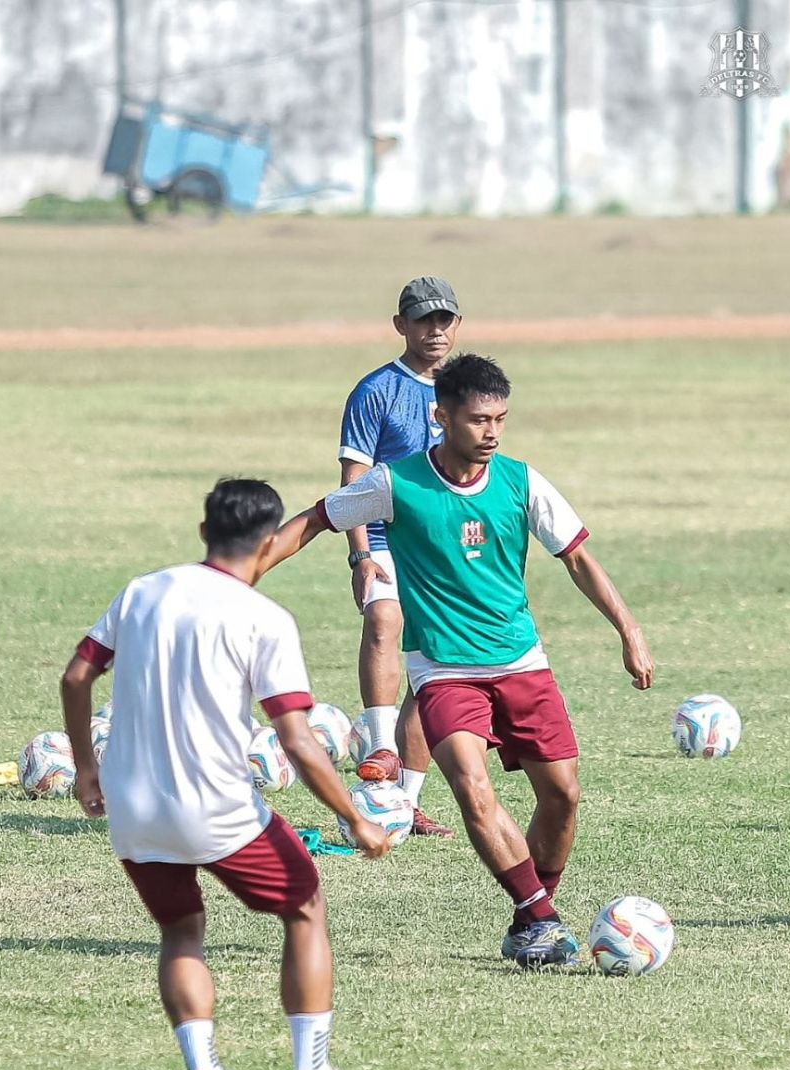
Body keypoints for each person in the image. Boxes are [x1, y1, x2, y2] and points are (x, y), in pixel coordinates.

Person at [265, 355, 655, 968]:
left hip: (522, 663)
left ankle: (529, 916)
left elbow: (577, 557)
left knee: (564, 798)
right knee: (473, 790)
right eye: (478, 420)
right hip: (444, 671)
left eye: (500, 418)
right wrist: (244, 574)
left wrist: (629, 630)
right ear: (441, 417)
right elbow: (314, 520)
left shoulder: (522, 481)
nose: (492, 432)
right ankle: (545, 920)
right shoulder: (396, 483)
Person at [61, 478, 391, 1070]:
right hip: (218, 809)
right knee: (305, 909)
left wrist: (84, 768)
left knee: (181, 931)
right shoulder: (263, 618)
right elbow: (295, 739)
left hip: (133, 809)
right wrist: (355, 818)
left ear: (204, 531)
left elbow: (78, 675)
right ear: (269, 542)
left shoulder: (142, 591)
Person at [339, 276, 461, 838]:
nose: (434, 331)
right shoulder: (375, 391)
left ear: (456, 326)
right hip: (386, 539)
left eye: (444, 320)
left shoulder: (464, 391)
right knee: (385, 619)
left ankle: (405, 803)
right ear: (401, 326)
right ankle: (381, 751)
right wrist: (359, 553)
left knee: (432, 670)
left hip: (442, 546)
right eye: (422, 320)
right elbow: (353, 481)